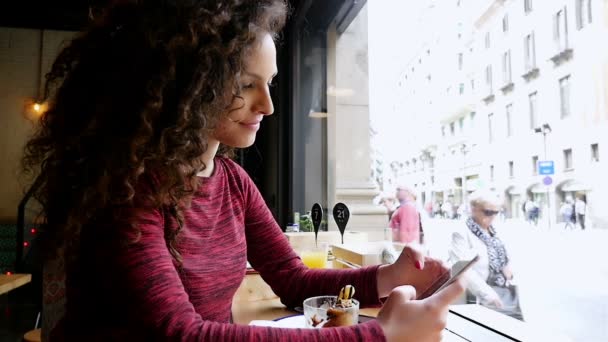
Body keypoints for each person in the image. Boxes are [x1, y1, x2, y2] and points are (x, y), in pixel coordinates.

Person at [21, 1, 465, 341]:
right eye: (245, 85)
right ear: (186, 82)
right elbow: (181, 335)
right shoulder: (126, 190)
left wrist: (392, 277)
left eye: (269, 83)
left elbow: (294, 280)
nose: (267, 106)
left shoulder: (232, 182)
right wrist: (379, 334)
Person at [448, 190, 523, 320]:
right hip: (479, 296)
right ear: (473, 209)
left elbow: (505, 255)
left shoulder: (494, 230)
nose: (492, 216)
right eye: (488, 212)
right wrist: (487, 294)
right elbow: (462, 269)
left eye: (496, 212)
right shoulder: (461, 233)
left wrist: (507, 267)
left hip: (504, 291)